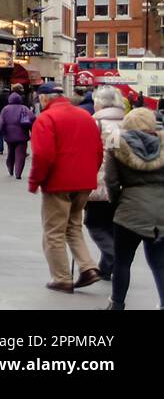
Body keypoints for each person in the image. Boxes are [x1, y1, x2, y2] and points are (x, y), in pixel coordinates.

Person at [28, 81, 103, 293]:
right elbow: (98, 151)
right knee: (73, 226)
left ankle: (61, 277)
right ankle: (88, 267)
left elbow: (42, 155)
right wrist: (89, 175)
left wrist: (35, 182)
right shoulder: (85, 117)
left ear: (43, 98)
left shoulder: (46, 118)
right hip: (84, 183)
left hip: (58, 183)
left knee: (53, 231)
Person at [103, 108, 164, 310]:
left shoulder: (116, 143)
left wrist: (116, 202)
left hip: (129, 209)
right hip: (160, 210)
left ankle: (117, 304)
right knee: (158, 260)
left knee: (123, 261)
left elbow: (111, 181)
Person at [85, 86, 127, 281]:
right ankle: (106, 266)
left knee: (93, 223)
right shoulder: (127, 121)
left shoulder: (98, 123)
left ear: (101, 103)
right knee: (110, 224)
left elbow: (106, 153)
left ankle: (114, 258)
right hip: (125, 182)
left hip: (101, 181)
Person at [0, 90, 34, 178]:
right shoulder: (24, 108)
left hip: (9, 136)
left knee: (10, 153)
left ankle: (10, 168)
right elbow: (32, 119)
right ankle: (18, 172)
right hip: (22, 136)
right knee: (20, 154)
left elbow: (0, 122)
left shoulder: (5, 109)